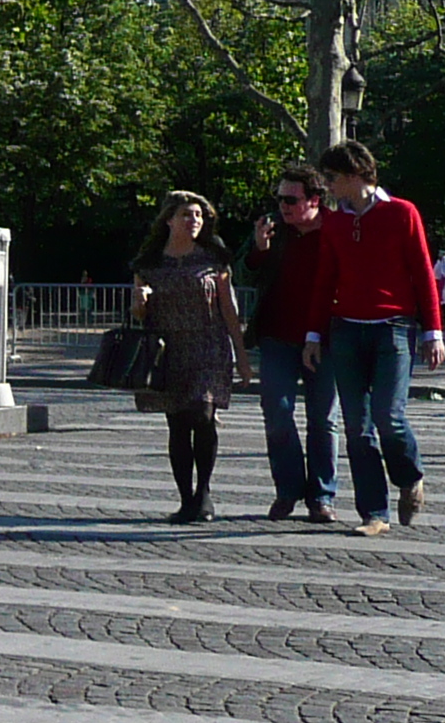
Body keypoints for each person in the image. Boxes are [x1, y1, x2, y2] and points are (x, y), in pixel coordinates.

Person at [302, 141, 444, 537]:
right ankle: (374, 513)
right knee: (356, 427)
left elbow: (422, 273)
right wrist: (314, 334)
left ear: (352, 175)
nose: (327, 187)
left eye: (331, 179)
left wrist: (434, 331)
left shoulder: (402, 213)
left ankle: (410, 476)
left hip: (393, 327)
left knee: (389, 415)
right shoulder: (334, 222)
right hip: (345, 328)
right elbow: (324, 278)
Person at [132, 191, 245, 524]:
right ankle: (186, 499)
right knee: (178, 423)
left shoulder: (213, 258)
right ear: (169, 220)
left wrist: (242, 356)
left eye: (198, 215)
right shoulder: (149, 263)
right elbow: (138, 314)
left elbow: (229, 309)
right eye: (186, 215)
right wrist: (139, 300)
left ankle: (204, 493)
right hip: (168, 350)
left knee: (203, 414)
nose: (194, 220)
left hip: (209, 346)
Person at [243, 164, 337, 525]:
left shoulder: (335, 228)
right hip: (277, 337)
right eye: (280, 198)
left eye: (290, 199)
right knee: (277, 412)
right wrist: (259, 249)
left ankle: (322, 496)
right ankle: (287, 490)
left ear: (314, 200)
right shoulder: (273, 230)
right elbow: (243, 272)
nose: (283, 206)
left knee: (323, 420)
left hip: (325, 339)